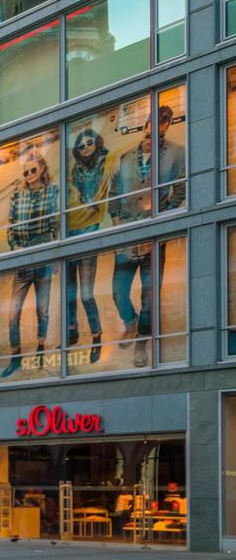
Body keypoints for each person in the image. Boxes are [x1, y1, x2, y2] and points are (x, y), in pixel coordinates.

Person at [109, 105, 186, 367]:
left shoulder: (176, 154)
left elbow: (180, 189)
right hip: (127, 236)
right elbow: (113, 195)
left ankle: (141, 343)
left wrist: (167, 214)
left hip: (154, 238)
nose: (153, 140)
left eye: (160, 136)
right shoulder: (124, 158)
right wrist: (119, 224)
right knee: (118, 292)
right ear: (144, 130)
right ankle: (129, 322)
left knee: (149, 297)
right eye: (150, 135)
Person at [2, 151, 59, 377]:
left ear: (43, 169)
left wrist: (54, 256)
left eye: (33, 170)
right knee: (12, 313)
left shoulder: (51, 192)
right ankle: (15, 357)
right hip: (23, 258)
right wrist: (15, 247)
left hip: (43, 254)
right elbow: (10, 227)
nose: (29, 175)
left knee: (42, 310)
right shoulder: (17, 196)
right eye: (26, 172)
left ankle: (40, 350)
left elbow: (55, 225)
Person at [65, 127, 115, 362]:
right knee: (69, 293)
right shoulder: (75, 171)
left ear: (97, 143)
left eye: (89, 143)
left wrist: (88, 205)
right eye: (81, 146)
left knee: (86, 294)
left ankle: (97, 337)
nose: (85, 148)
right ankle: (72, 331)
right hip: (70, 233)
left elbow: (97, 201)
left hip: (90, 231)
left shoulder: (105, 164)